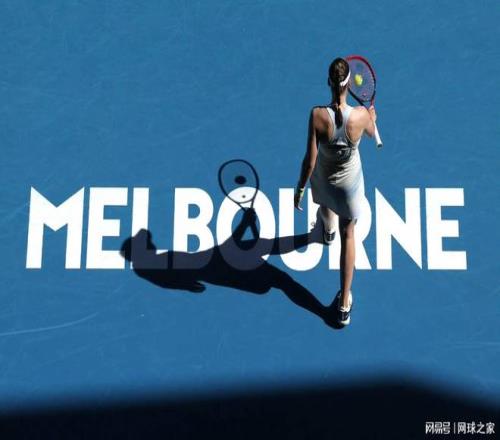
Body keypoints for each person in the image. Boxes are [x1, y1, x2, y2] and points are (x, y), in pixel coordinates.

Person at [294, 57, 377, 326]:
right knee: (348, 234)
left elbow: (310, 161)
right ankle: (343, 307)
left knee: (325, 203)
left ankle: (326, 232)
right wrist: (372, 118)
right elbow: (371, 131)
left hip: (325, 179)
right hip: (350, 186)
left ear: (329, 82)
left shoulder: (317, 115)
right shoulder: (361, 116)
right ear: (349, 84)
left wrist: (300, 188)